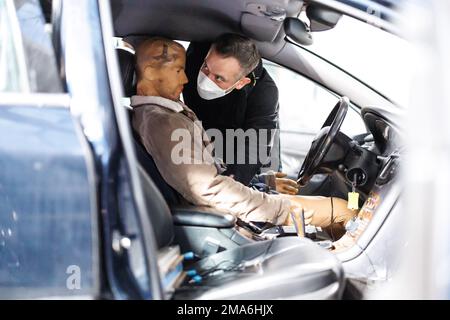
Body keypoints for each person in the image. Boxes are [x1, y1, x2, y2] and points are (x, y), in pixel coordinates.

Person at [131, 37, 356, 232]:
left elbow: (230, 160)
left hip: (227, 204)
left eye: (219, 78)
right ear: (150, 72)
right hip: (219, 217)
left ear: (241, 82)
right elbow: (208, 189)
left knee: (336, 207)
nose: (188, 79)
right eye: (180, 71)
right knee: (346, 210)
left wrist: (260, 182)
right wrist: (279, 208)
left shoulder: (165, 113)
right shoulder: (162, 121)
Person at [183, 34, 282, 187]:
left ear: (241, 82)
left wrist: (229, 187)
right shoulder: (193, 59)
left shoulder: (264, 92)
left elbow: (255, 147)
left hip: (238, 141)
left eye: (219, 78)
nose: (206, 80)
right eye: (206, 68)